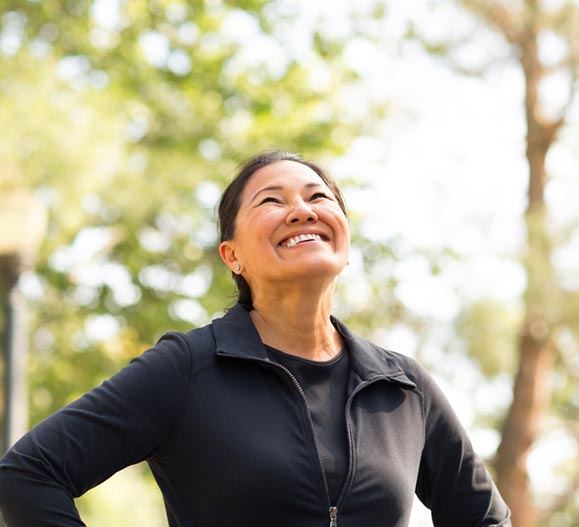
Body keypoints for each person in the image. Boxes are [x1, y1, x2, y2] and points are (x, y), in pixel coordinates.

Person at [0, 150, 511, 526]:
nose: (302, 210)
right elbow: (26, 474)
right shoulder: (188, 368)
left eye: (318, 198)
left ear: (344, 240)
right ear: (232, 256)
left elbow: (485, 519)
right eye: (272, 201)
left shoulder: (403, 386)